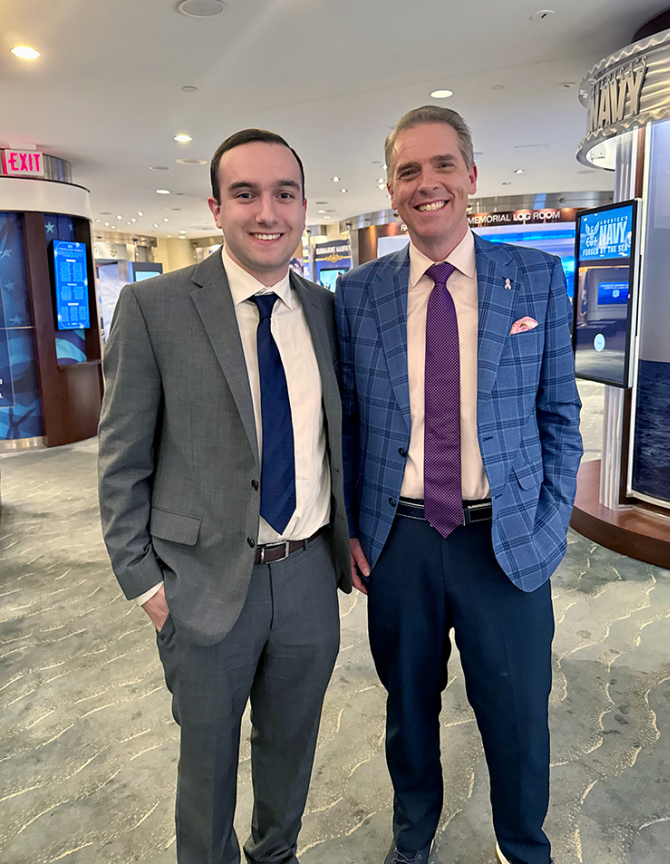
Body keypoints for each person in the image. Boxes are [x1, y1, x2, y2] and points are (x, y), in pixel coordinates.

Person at [335, 106, 582, 864]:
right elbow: (346, 423)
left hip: (504, 542)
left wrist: (548, 525)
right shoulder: (357, 293)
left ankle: (522, 844)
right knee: (408, 711)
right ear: (391, 187)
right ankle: (414, 841)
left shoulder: (535, 278)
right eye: (409, 171)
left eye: (443, 165)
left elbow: (560, 416)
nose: (427, 183)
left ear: (471, 177)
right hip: (400, 541)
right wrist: (348, 528)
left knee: (515, 713)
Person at [98, 128, 351, 864]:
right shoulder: (155, 307)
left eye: (284, 193)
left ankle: (278, 855)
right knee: (206, 765)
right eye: (245, 193)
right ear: (216, 206)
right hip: (199, 582)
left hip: (307, 574)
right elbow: (121, 460)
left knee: (291, 751)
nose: (266, 210)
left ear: (304, 206)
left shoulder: (326, 311)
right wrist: (142, 582)